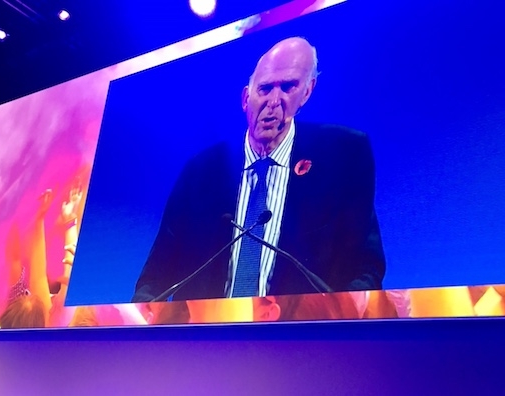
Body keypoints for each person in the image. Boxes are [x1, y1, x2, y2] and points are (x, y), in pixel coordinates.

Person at [132, 37, 385, 302]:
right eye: (264, 89)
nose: (274, 101)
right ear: (245, 98)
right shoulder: (201, 173)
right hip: (206, 339)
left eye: (288, 87)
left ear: (307, 92)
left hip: (301, 339)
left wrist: (338, 332)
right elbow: (153, 282)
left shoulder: (342, 157)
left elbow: (365, 270)